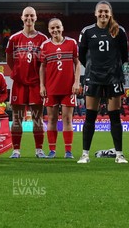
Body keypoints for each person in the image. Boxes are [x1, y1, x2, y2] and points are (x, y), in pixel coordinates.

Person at [77, 1, 129, 164]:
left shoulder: (119, 31)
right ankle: (85, 154)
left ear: (110, 13)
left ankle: (119, 154)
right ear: (95, 13)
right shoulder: (87, 31)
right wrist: (95, 68)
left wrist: (112, 69)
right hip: (93, 78)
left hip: (113, 78)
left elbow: (124, 55)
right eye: (100, 11)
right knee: (90, 116)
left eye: (106, 12)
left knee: (115, 117)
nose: (103, 14)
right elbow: (81, 55)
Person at [6, 6, 48, 158]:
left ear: (36, 18)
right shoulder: (14, 39)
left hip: (36, 84)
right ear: (21, 18)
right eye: (26, 16)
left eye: (32, 16)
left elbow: (45, 63)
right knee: (17, 118)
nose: (29, 18)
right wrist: (18, 72)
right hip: (19, 83)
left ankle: (39, 150)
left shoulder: (43, 39)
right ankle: (16, 150)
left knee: (37, 117)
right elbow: (10, 61)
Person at [39, 18, 81, 159]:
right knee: (51, 119)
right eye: (52, 28)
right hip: (51, 88)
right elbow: (42, 67)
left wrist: (76, 82)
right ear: (49, 30)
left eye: (57, 27)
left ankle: (68, 151)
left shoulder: (71, 43)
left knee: (67, 119)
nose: (55, 30)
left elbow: (77, 63)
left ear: (62, 28)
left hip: (68, 88)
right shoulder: (45, 46)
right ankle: (52, 151)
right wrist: (42, 85)